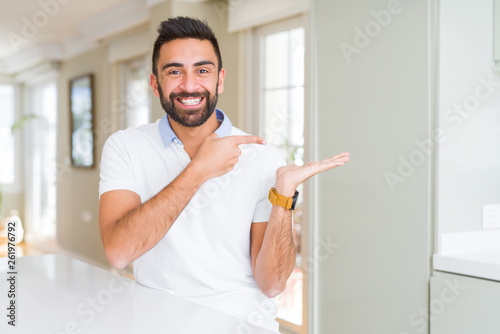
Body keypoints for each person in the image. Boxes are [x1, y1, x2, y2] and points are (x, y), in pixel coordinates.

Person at [98, 16, 349, 331]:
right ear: (155, 83)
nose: (190, 85)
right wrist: (199, 170)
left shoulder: (263, 158)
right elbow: (118, 253)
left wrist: (283, 196)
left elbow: (271, 285)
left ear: (220, 80)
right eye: (174, 71)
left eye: (202, 70)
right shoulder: (125, 147)